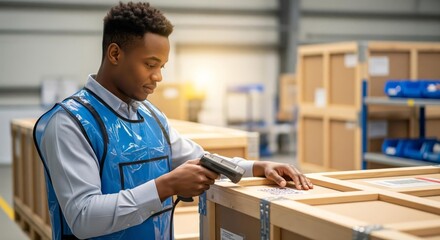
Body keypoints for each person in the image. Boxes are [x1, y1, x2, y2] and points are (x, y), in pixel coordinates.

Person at [33, 2, 313, 240]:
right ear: (115, 54)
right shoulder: (70, 123)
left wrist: (258, 166)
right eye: (150, 64)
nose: (158, 77)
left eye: (161, 67)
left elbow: (202, 159)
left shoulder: (150, 116)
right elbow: (83, 218)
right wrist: (166, 186)